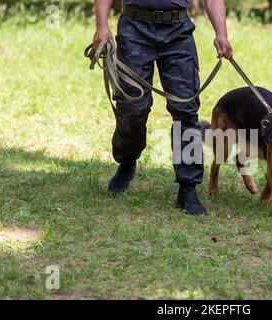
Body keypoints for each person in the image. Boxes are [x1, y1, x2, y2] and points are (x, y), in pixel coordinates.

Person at [93, 0, 233, 215]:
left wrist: (221, 33)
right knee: (132, 109)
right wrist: (102, 26)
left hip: (178, 31)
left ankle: (187, 188)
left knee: (186, 110)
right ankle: (127, 161)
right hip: (134, 28)